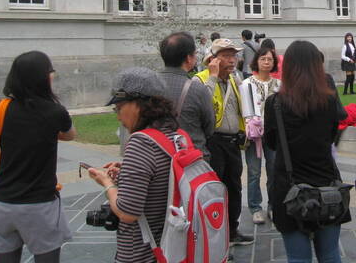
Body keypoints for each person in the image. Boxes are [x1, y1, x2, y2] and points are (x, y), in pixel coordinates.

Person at [0, 51, 75, 263]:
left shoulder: (0, 108)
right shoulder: (55, 112)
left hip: (2, 204)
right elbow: (70, 135)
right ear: (45, 77)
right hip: (40, 206)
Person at [264, 40, 349, 262]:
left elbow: (272, 143)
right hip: (326, 182)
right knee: (330, 253)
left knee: (297, 257)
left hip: (288, 187)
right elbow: (332, 136)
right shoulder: (329, 100)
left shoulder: (275, 104)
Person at [87, 66, 179, 263]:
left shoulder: (141, 142)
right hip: (173, 246)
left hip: (143, 253)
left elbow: (127, 212)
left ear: (139, 104)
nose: (118, 117)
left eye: (119, 108)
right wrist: (127, 173)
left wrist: (107, 183)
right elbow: (160, 182)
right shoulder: (175, 135)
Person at [197, 38, 254, 247]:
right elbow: (202, 108)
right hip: (213, 142)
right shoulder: (200, 80)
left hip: (233, 143)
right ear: (213, 59)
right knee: (214, 190)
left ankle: (232, 230)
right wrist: (212, 77)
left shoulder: (235, 79)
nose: (232, 60)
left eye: (234, 55)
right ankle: (214, 236)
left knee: (234, 187)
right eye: (226, 56)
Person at [157, 32, 215, 162]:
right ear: (189, 58)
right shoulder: (197, 89)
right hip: (192, 158)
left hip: (157, 156)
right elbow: (210, 127)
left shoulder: (149, 86)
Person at [240, 45, 281, 224]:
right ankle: (255, 207)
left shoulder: (278, 84)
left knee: (274, 170)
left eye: (269, 59)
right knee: (254, 171)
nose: (266, 62)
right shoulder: (247, 83)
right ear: (256, 61)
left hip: (273, 134)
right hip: (253, 134)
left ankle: (273, 205)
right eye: (263, 58)